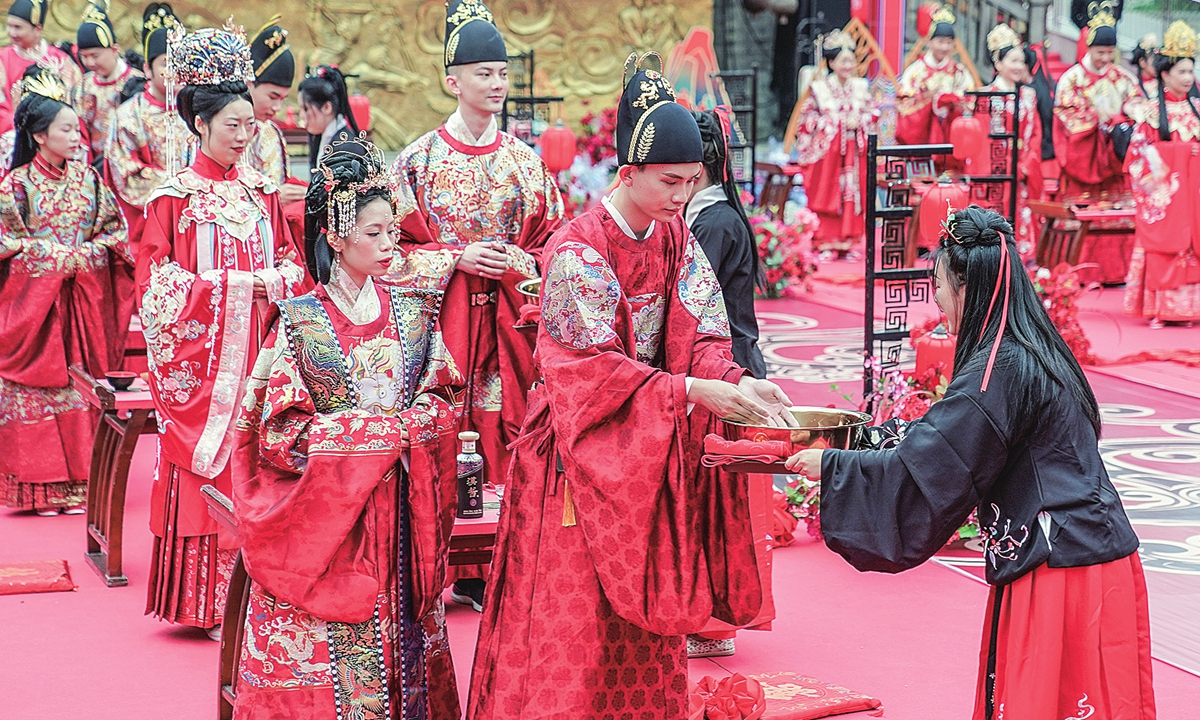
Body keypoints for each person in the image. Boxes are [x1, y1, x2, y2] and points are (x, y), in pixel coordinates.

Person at [467, 52, 796, 718]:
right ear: (629, 173)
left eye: (691, 182)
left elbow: (703, 334)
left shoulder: (675, 239)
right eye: (670, 182)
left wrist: (735, 380)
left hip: (646, 447)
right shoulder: (579, 250)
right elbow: (591, 372)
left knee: (643, 635)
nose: (681, 197)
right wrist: (690, 394)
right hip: (576, 454)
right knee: (571, 626)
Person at [787, 204, 1155, 720]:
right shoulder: (1029, 349)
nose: (934, 298)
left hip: (1060, 570)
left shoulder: (999, 368)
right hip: (1094, 554)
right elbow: (944, 433)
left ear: (967, 287)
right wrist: (860, 442)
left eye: (937, 284)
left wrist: (832, 468)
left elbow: (937, 459)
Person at [232, 136, 463, 719]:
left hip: (402, 516)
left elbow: (442, 401)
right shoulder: (299, 323)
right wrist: (378, 438)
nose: (391, 245)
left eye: (394, 231)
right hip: (330, 522)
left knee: (407, 646)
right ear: (335, 236)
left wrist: (418, 427)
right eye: (375, 233)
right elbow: (280, 434)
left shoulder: (413, 313)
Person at [385, 0, 563, 611]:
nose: (496, 85)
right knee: (440, 427)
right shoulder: (417, 162)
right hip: (444, 325)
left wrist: (517, 263)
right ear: (451, 80)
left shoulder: (526, 162)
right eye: (483, 73)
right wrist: (452, 260)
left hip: (511, 328)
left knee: (507, 427)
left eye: (502, 73)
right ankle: (432, 562)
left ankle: (496, 565)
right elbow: (387, 253)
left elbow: (553, 246)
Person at [136, 26, 306, 639]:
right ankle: (206, 604)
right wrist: (237, 289)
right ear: (200, 125)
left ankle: (263, 593)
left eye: (249, 124)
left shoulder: (263, 194)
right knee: (211, 467)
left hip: (262, 351)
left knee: (261, 464)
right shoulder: (172, 200)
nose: (244, 135)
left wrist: (272, 284)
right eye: (232, 124)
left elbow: (294, 263)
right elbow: (157, 289)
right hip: (204, 362)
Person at [0, 67, 127, 516]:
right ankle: (39, 489)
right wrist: (54, 258)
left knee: (81, 389)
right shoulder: (14, 187)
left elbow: (116, 236)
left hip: (80, 305)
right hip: (33, 312)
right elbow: (4, 243)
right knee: (37, 393)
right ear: (39, 135)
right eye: (67, 129)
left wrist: (86, 257)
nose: (77, 136)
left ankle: (81, 485)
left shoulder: (90, 181)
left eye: (78, 128)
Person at [1124, 21, 1200, 328]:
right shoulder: (1150, 112)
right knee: (1167, 240)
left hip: (1194, 196)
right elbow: (1138, 157)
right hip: (1168, 197)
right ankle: (1162, 307)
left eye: (1190, 71)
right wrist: (1182, 156)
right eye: (1181, 71)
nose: (1188, 78)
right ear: (1164, 74)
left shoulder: (1198, 108)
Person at [105, 3, 193, 260]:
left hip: (195, 217)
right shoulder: (129, 115)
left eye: (181, 63)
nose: (175, 71)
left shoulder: (198, 110)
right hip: (148, 221)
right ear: (147, 69)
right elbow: (126, 176)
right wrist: (180, 188)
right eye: (167, 63)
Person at [794, 29, 876, 256]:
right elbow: (807, 120)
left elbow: (872, 114)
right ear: (831, 62)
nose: (848, 65)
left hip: (854, 151)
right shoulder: (819, 89)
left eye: (851, 60)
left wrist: (859, 121)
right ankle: (825, 242)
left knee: (853, 195)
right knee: (830, 192)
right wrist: (836, 123)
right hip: (828, 155)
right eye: (843, 60)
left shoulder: (860, 87)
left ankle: (849, 243)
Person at [1053, 7, 1140, 200]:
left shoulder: (1124, 78)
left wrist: (1126, 114)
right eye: (1100, 52)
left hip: (1114, 158)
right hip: (1084, 158)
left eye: (1110, 52)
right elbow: (1064, 114)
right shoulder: (1072, 79)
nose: (1106, 58)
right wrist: (1094, 116)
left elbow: (1137, 105)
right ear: (1089, 47)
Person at [980, 23, 1043, 257]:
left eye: (1021, 61)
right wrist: (1006, 164)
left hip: (1024, 171)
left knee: (1023, 216)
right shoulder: (986, 97)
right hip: (998, 173)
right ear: (998, 63)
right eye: (1012, 61)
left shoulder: (1029, 95)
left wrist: (1027, 163)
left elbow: (1035, 133)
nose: (1019, 67)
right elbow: (984, 139)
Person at [243, 15, 304, 205]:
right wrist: (273, 198)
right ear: (249, 84)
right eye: (272, 97)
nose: (277, 108)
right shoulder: (221, 130)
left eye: (283, 99)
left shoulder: (270, 132)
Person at [895, 6, 974, 147]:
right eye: (940, 42)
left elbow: (969, 100)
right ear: (929, 41)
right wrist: (929, 100)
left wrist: (954, 103)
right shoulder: (915, 71)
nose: (944, 47)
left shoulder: (959, 71)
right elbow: (904, 105)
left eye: (949, 43)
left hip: (948, 136)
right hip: (921, 137)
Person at [0, 0, 82, 135]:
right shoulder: (2, 59)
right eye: (9, 26)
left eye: (17, 27)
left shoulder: (60, 60)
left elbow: (74, 101)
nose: (11, 32)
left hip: (56, 133)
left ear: (37, 29)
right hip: (12, 132)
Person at [76, 1, 141, 164]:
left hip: (127, 161)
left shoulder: (135, 82)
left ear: (114, 50)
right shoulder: (82, 86)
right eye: (84, 56)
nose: (89, 62)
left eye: (95, 55)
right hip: (92, 165)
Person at [297, 64, 358, 174]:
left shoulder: (348, 148)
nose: (301, 115)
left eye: (305, 109)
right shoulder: (321, 137)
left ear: (326, 107)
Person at [1132, 33, 1160, 100]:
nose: (1158, 65)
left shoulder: (1164, 82)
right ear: (1142, 62)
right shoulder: (1133, 84)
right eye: (1155, 61)